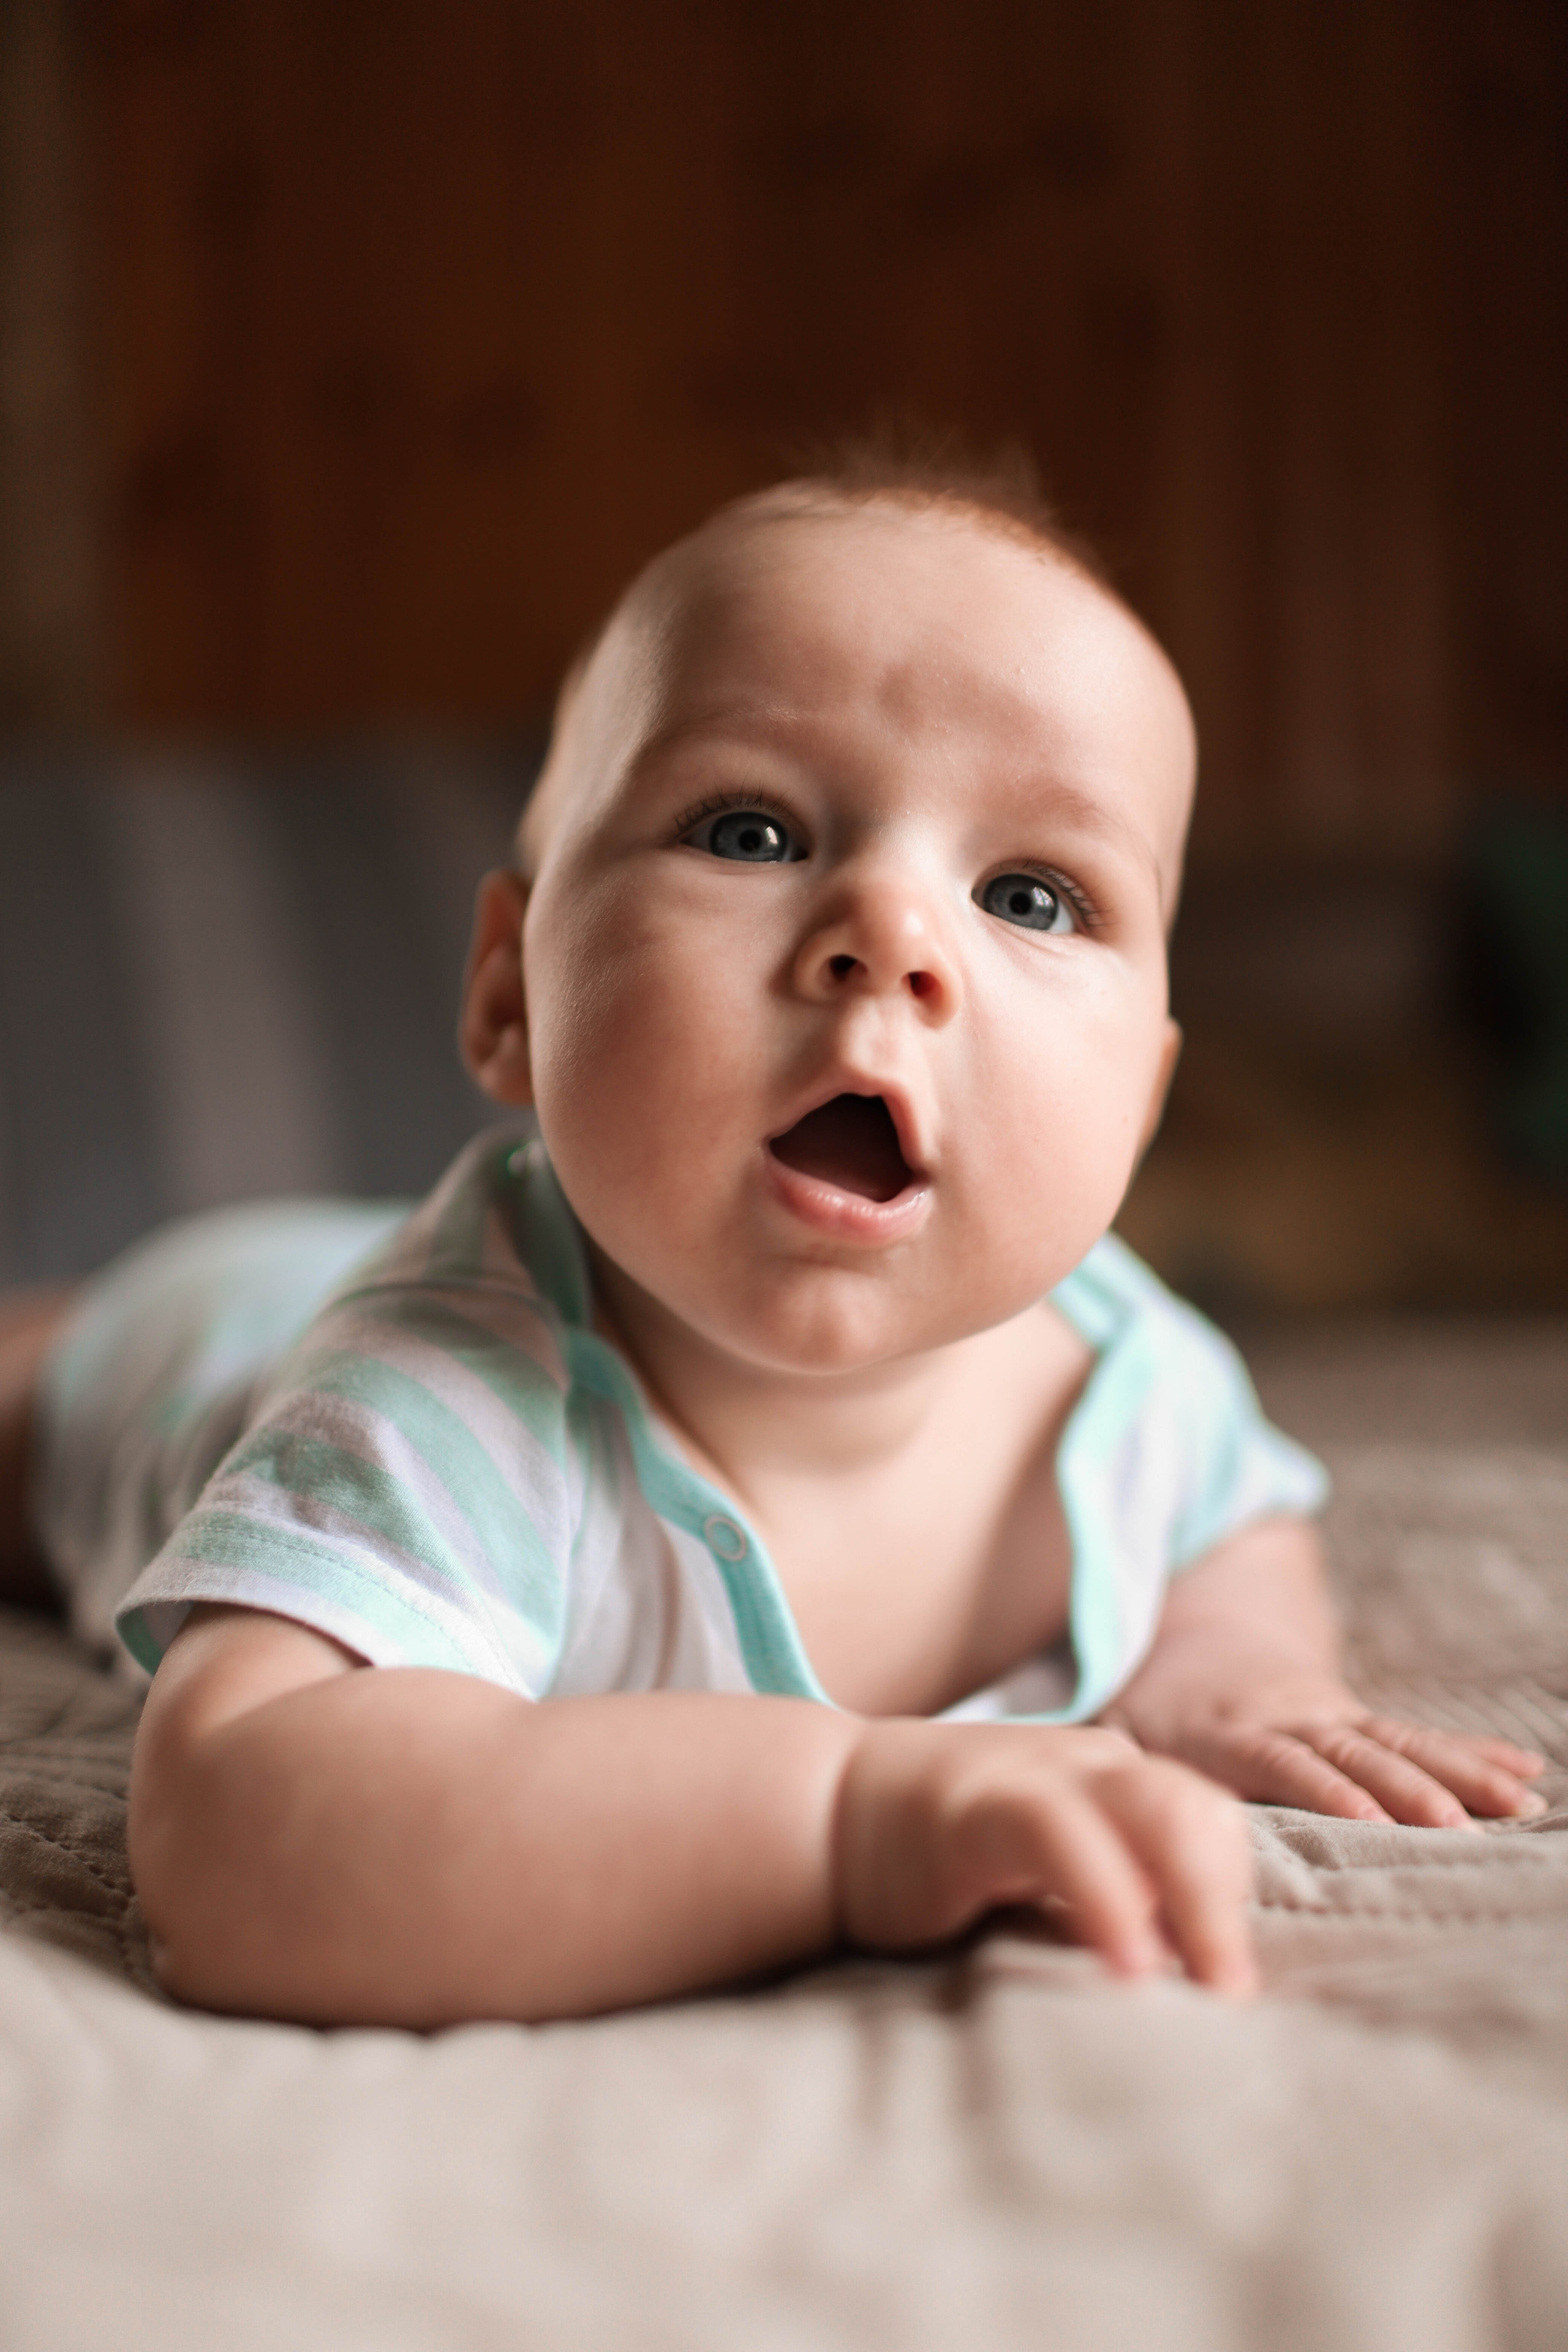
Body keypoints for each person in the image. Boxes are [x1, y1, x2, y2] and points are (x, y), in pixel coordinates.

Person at [0, 462, 1546, 2030]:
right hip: (191, 1343)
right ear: (509, 998)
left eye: (1029, 890)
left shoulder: (1123, 1380)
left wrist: (1237, 1672)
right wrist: (846, 1815)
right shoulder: (438, 1401)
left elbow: (1231, 1517)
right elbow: (242, 1840)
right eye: (747, 830)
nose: (889, 928)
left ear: (1140, 1104)